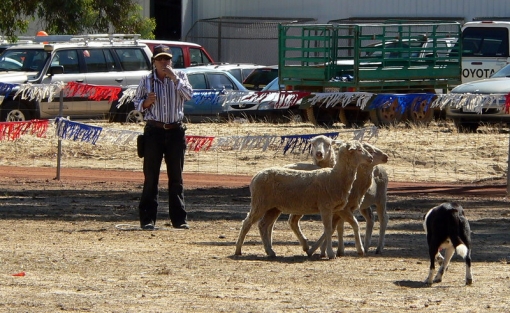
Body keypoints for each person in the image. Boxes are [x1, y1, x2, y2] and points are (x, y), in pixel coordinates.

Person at [134, 45, 193, 230]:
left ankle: (179, 220)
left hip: (175, 131)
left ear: (171, 61)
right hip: (154, 131)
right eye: (160, 59)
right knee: (151, 177)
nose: (164, 62)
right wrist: (146, 102)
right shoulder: (146, 80)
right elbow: (136, 105)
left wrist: (175, 79)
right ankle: (147, 220)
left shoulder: (180, 77)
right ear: (154, 61)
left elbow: (189, 95)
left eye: (167, 59)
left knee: (176, 177)